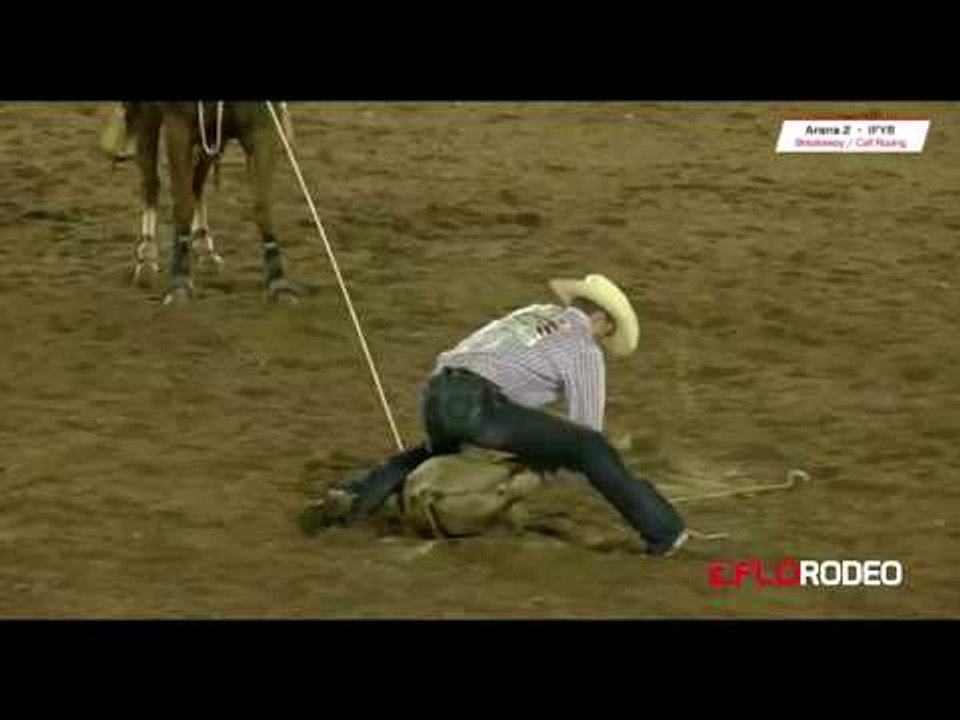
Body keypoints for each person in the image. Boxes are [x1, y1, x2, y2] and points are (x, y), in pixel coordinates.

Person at [307, 273, 688, 556]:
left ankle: (352, 497)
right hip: (479, 404)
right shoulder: (584, 348)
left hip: (437, 391)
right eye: (608, 331)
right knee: (590, 447)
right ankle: (663, 529)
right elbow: (586, 433)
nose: (605, 339)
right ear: (603, 320)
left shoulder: (533, 313)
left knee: (433, 453)